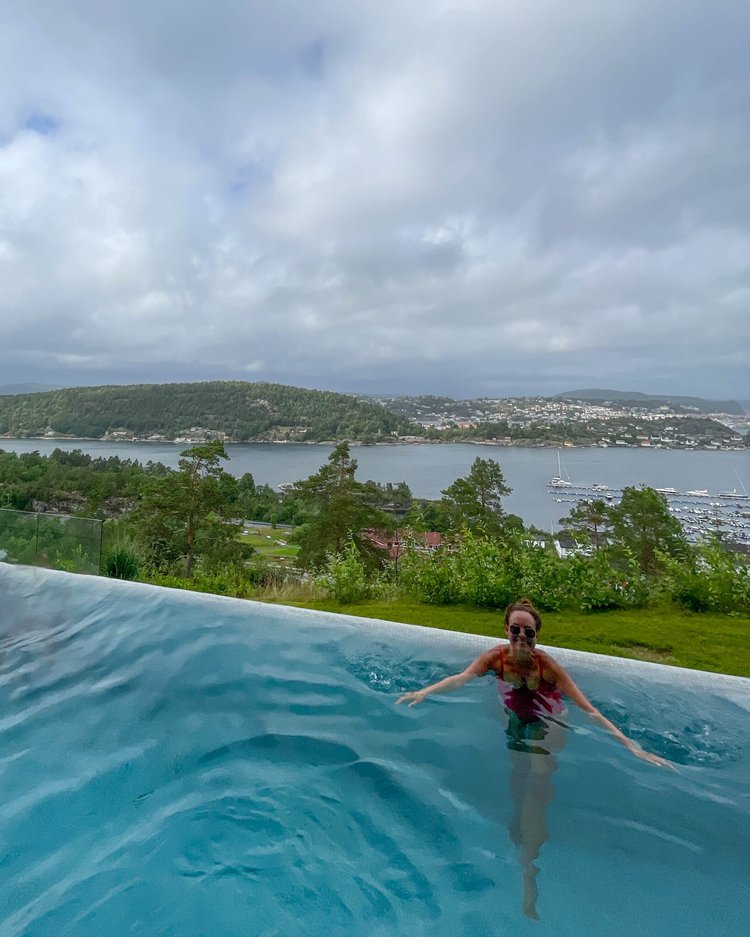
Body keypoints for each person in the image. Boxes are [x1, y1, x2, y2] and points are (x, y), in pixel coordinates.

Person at [396, 598, 673, 919]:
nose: (521, 637)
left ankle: (529, 865)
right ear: (506, 630)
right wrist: (425, 692)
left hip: (548, 720)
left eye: (528, 632)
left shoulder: (548, 667)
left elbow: (589, 708)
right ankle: (518, 818)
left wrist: (630, 745)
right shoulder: (495, 658)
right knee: (518, 770)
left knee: (538, 781)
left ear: (537, 635)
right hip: (515, 716)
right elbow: (462, 678)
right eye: (515, 630)